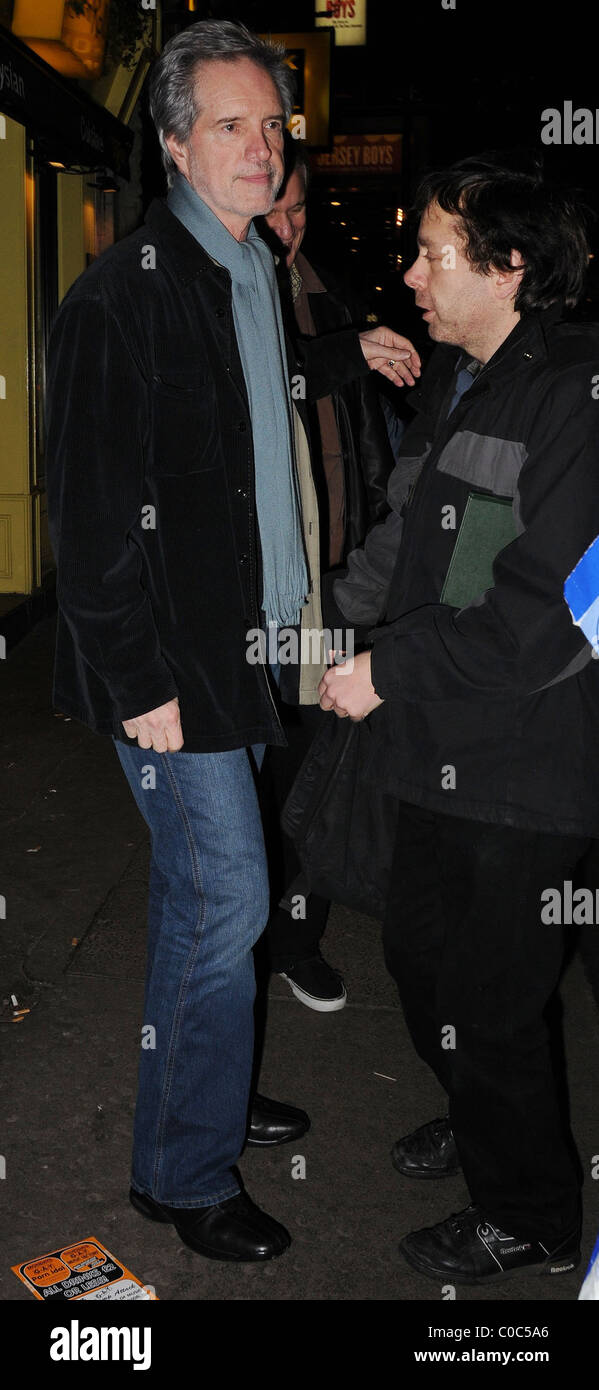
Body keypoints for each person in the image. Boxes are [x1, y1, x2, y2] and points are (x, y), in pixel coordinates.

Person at [44, 19, 419, 1264]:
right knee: (230, 901)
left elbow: (244, 396)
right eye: (230, 126)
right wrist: (140, 684)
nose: (262, 149)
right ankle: (184, 1173)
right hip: (175, 672)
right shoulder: (121, 300)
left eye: (272, 126)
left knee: (203, 909)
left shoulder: (248, 268)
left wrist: (333, 357)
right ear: (171, 144)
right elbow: (92, 520)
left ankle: (194, 1082)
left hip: (257, 645)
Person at [319, 156, 599, 1283]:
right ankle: (490, 1120)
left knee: (488, 995)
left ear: (509, 268)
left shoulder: (574, 394)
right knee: (419, 954)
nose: (411, 273)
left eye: (433, 253)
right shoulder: (461, 374)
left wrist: (388, 669)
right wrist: (333, 625)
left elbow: (542, 614)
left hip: (527, 761)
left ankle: (528, 1210)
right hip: (437, 739)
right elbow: (417, 540)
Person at [258, 140, 395, 1012]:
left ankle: (294, 938)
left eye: (298, 210)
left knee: (318, 769)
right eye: (272, 210)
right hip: (268, 589)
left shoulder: (325, 291)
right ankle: (257, 935)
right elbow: (268, 390)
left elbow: (367, 430)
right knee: (265, 771)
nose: (286, 228)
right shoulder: (229, 297)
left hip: (341, 580)